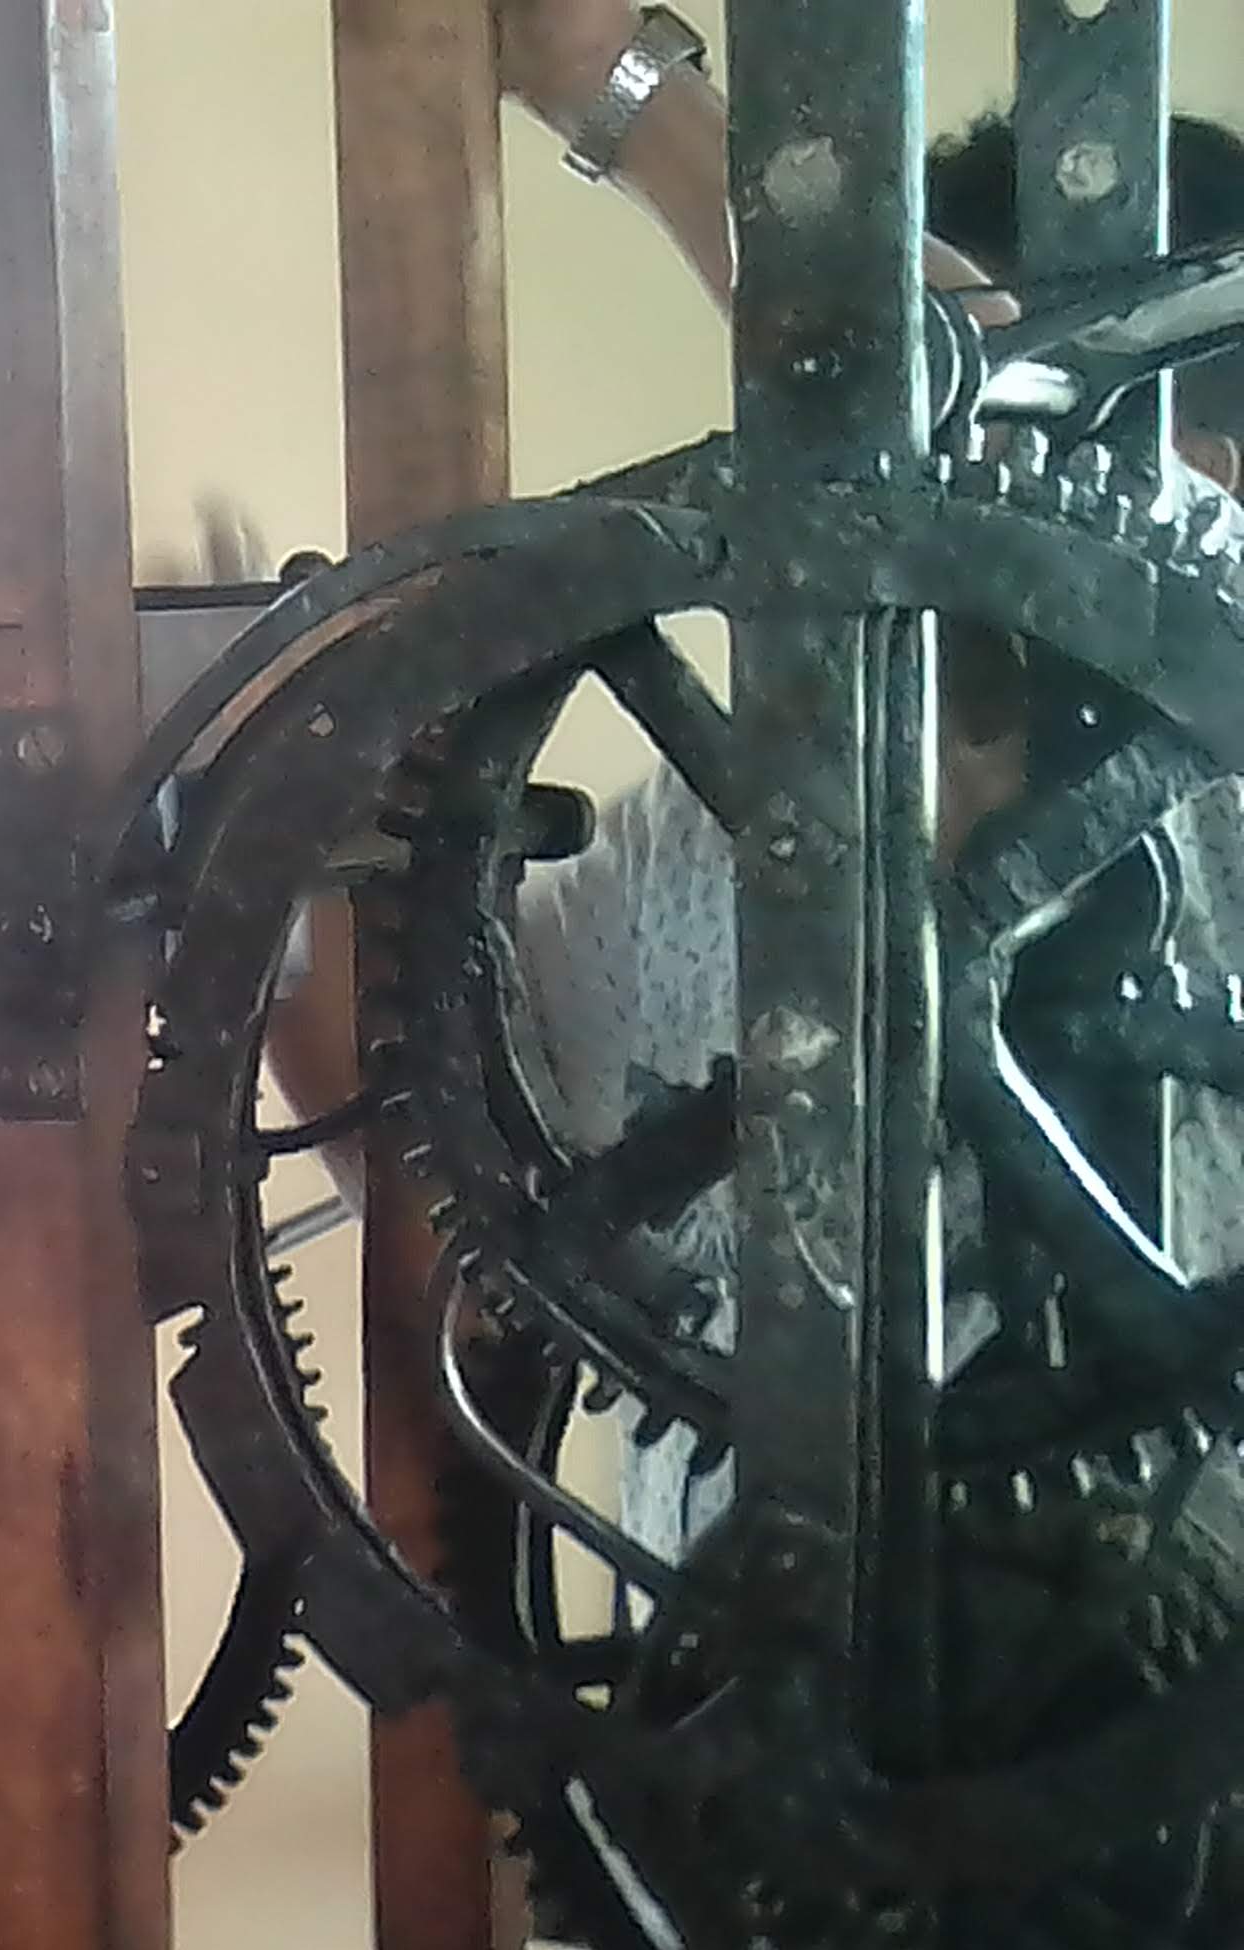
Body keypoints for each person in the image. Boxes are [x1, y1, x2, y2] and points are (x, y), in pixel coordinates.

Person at [266, 3, 1244, 1561]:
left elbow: (994, 454)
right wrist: (286, 830)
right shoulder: (719, 831)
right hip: (741, 1712)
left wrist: (625, 94)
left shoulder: (1212, 680)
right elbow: (455, 1159)